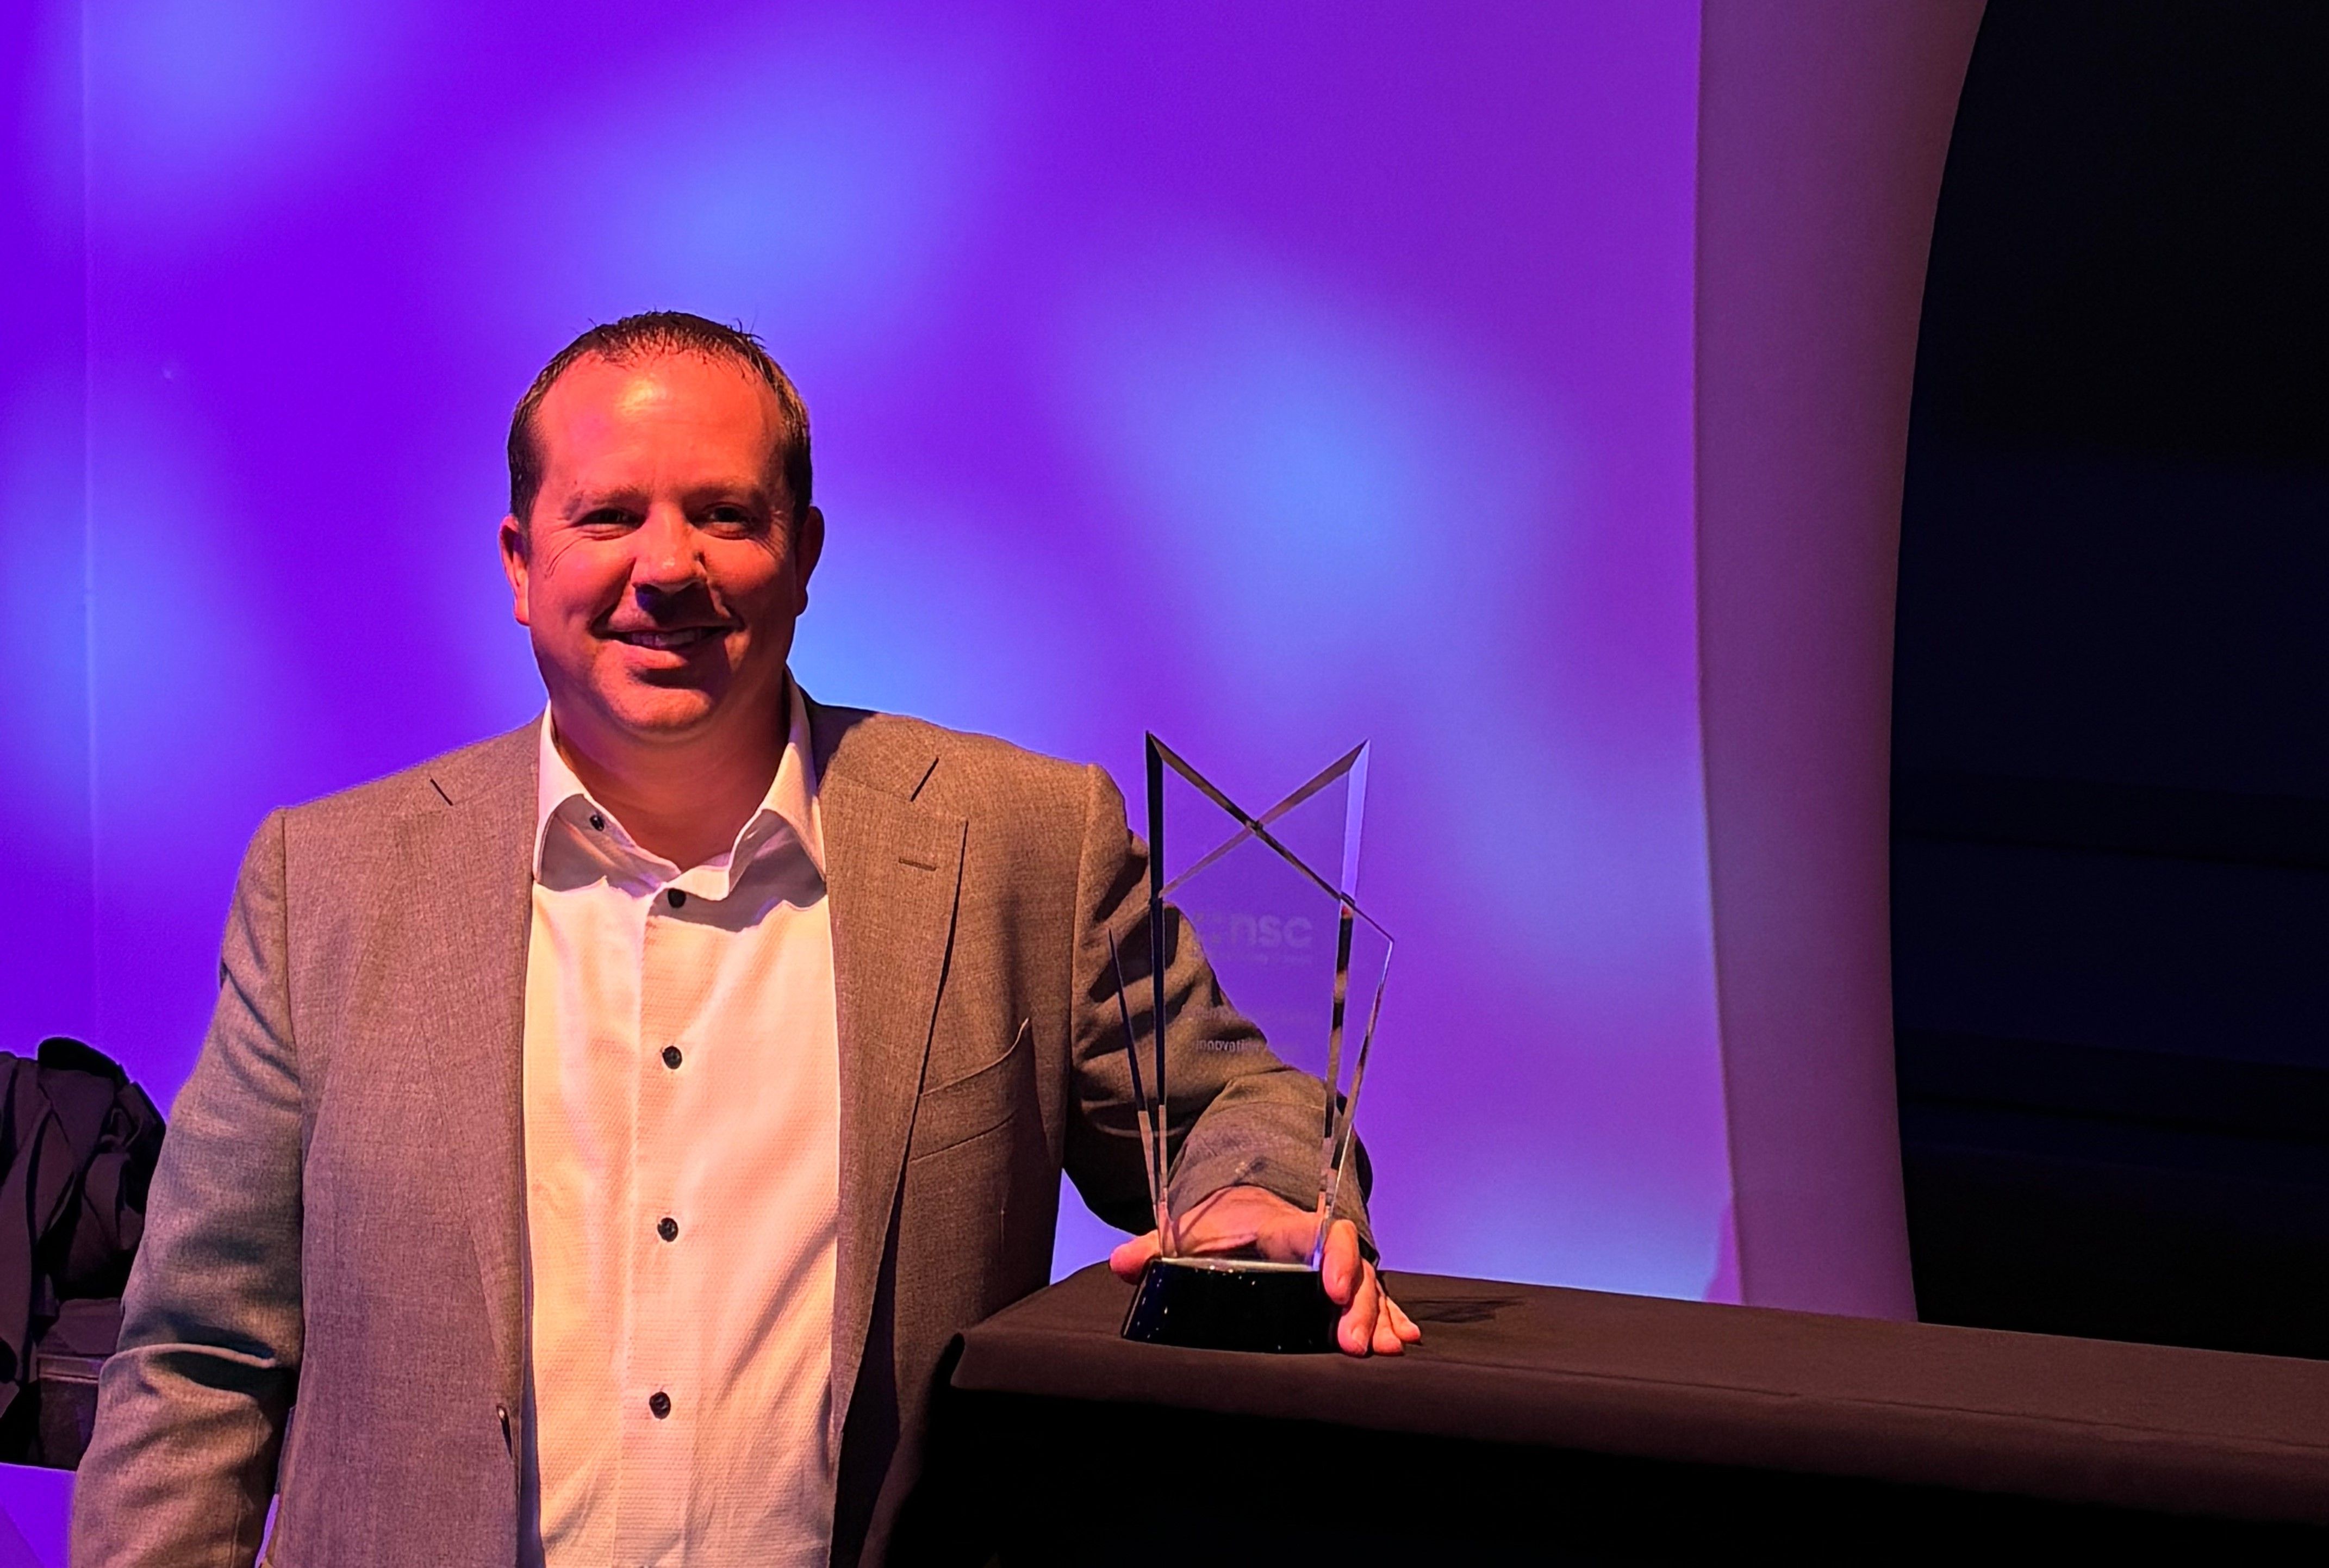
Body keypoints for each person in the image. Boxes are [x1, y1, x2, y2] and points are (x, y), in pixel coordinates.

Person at [71, 312, 1418, 1568]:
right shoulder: (331, 883)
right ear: (520, 563)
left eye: (724, 515)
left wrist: (1257, 1200)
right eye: (609, 516)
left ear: (807, 554)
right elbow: (197, 1360)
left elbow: (1238, 1102)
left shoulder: (1025, 843)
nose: (668, 568)